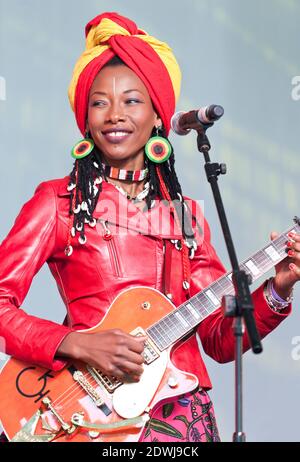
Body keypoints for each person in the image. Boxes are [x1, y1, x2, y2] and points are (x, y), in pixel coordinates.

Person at [0, 11, 299, 443]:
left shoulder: (185, 215)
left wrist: (280, 287)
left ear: (159, 116)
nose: (115, 114)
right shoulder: (59, 202)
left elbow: (217, 338)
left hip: (179, 417)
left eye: (132, 101)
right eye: (100, 102)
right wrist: (77, 344)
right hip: (90, 417)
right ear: (85, 118)